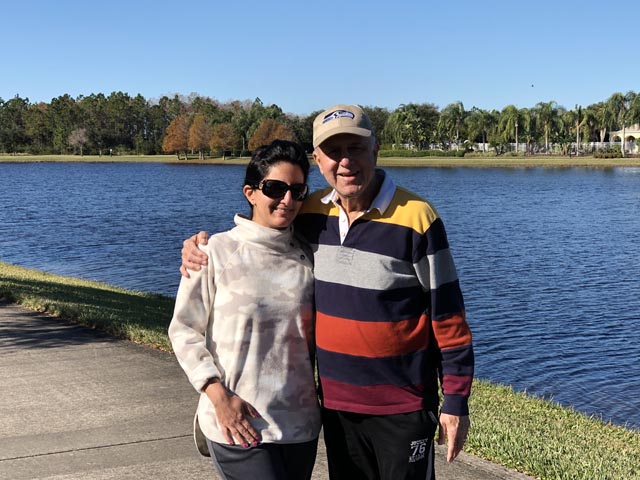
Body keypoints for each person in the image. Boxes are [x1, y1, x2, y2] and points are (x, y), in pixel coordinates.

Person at [181, 105, 474, 480]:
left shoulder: (417, 217)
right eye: (334, 152)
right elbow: (260, 232)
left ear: (375, 150)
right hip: (336, 409)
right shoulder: (312, 213)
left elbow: (448, 316)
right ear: (318, 159)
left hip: (403, 406)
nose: (346, 161)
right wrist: (199, 247)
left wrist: (456, 400)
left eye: (356, 148)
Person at [169, 140, 321, 480]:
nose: (287, 200)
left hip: (300, 427)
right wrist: (217, 396)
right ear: (250, 192)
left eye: (297, 191)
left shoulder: (310, 256)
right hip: (236, 421)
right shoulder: (215, 252)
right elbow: (183, 330)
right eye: (275, 188)